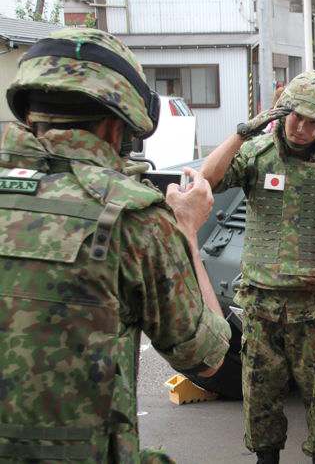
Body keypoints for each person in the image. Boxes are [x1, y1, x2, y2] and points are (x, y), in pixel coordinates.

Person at [0, 28, 231, 463]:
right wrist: (185, 229)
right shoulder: (133, 219)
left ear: (29, 112)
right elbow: (207, 356)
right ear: (116, 126)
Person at [201, 71, 315, 464]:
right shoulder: (257, 155)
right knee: (260, 394)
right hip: (261, 302)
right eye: (296, 117)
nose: (304, 129)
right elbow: (207, 179)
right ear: (281, 112)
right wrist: (243, 131)